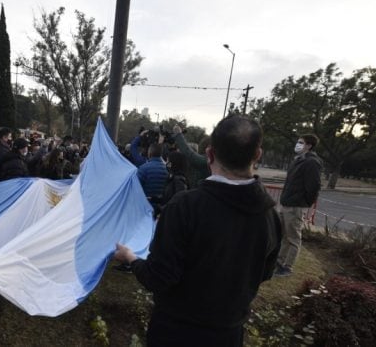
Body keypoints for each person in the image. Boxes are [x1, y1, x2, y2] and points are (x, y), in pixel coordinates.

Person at [114, 115, 281, 346]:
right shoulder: (271, 216)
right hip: (228, 335)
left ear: (210, 154)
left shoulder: (184, 207)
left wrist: (130, 257)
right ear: (257, 155)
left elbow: (158, 277)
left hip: (175, 333)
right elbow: (263, 274)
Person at [274, 134, 322, 277]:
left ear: (309, 145)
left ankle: (287, 267)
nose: (297, 144)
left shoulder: (311, 162)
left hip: (296, 205)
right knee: (284, 236)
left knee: (293, 237)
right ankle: (279, 262)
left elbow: (313, 186)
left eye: (301, 142)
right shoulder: (299, 160)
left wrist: (305, 204)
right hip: (287, 203)